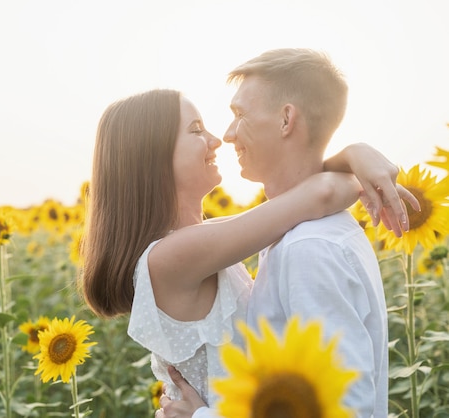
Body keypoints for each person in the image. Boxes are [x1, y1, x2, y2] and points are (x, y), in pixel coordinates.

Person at [79, 88, 416, 413]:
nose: (216, 140)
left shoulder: (204, 240)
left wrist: (355, 158)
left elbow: (300, 195)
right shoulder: (172, 256)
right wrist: (359, 158)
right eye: (196, 130)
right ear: (152, 154)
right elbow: (320, 194)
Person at [157, 49, 420, 418]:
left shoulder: (309, 250)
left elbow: (343, 410)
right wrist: (351, 157)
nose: (228, 135)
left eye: (239, 115)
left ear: (285, 120)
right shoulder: (291, 231)